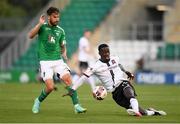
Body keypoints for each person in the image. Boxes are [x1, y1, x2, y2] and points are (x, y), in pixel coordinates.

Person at [67, 43, 167, 117]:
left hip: (122, 83)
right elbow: (84, 77)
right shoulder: (95, 66)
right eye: (104, 52)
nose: (107, 54)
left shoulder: (115, 58)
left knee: (129, 94)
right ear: (99, 53)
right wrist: (73, 88)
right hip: (115, 93)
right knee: (143, 112)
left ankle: (135, 111)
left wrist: (126, 71)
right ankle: (153, 112)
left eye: (108, 52)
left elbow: (118, 64)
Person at [28, 7, 86, 114]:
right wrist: (40, 24)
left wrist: (64, 52)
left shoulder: (61, 31)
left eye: (58, 17)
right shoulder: (43, 27)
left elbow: (63, 45)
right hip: (45, 61)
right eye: (55, 17)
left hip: (58, 61)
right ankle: (38, 101)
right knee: (50, 87)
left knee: (68, 80)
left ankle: (77, 106)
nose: (57, 19)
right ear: (49, 17)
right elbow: (30, 35)